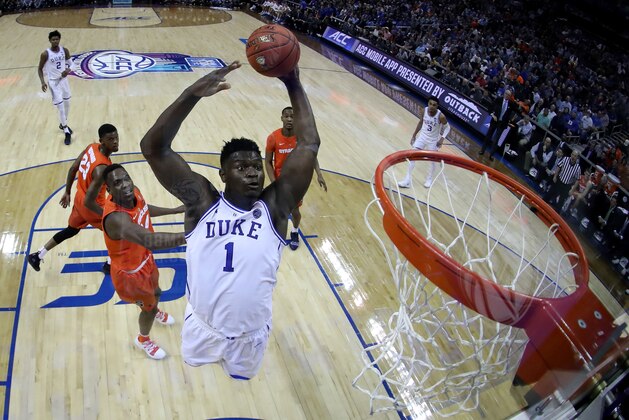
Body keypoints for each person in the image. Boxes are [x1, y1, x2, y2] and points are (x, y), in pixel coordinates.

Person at [140, 62, 321, 379]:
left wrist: (292, 81)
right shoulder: (201, 202)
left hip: (250, 336)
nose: (252, 173)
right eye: (241, 167)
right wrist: (190, 95)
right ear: (223, 174)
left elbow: (308, 145)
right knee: (195, 373)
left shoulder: (274, 207)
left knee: (241, 380)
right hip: (203, 326)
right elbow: (153, 149)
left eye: (255, 167)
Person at [86, 164, 186, 359]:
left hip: (145, 258)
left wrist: (173, 211)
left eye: (126, 179)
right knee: (148, 307)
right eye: (117, 183)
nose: (125, 185)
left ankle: (153, 308)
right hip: (130, 274)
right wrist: (192, 235)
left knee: (156, 292)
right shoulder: (116, 218)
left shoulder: (134, 192)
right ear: (109, 190)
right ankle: (143, 340)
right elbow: (151, 241)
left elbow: (145, 209)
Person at [27, 124, 119, 273]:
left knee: (71, 230)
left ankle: (38, 255)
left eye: (116, 138)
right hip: (93, 205)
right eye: (110, 139)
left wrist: (67, 192)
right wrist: (107, 216)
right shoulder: (102, 168)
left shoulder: (92, 147)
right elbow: (91, 199)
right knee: (116, 231)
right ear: (102, 141)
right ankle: (109, 265)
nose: (115, 142)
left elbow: (72, 168)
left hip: (79, 199)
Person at [265, 106, 327, 250]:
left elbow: (311, 157)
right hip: (280, 181)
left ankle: (294, 231)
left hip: (296, 182)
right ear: (281, 118)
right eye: (286, 116)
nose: (289, 119)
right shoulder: (273, 138)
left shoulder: (301, 138)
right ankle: (274, 234)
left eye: (292, 117)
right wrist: (274, 183)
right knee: (276, 210)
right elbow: (267, 162)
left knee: (295, 212)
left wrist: (319, 174)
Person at [398, 95, 450, 188]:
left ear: (437, 106)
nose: (431, 106)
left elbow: (448, 128)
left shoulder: (441, 116)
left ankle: (429, 179)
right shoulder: (424, 110)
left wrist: (441, 139)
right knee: (412, 156)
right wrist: (414, 135)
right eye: (430, 104)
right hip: (422, 137)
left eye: (434, 105)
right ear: (428, 103)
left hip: (433, 141)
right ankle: (407, 180)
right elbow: (421, 122)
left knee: (432, 161)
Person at [38, 30, 73, 145]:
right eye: (53, 39)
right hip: (54, 82)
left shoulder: (64, 50)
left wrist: (68, 70)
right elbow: (39, 69)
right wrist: (43, 82)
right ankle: (66, 130)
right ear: (49, 41)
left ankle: (62, 124)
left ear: (59, 39)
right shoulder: (45, 54)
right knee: (61, 107)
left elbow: (71, 64)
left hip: (64, 81)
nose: (55, 41)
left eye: (57, 39)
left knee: (67, 104)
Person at [479, 89, 518, 161]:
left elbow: (517, 110)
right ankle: (482, 150)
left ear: (510, 96)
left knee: (496, 140)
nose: (507, 95)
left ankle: (491, 155)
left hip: (502, 124)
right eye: (506, 94)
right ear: (504, 94)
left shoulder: (511, 104)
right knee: (488, 136)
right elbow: (490, 108)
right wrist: (492, 115)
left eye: (509, 95)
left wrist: (511, 119)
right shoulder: (498, 100)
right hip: (495, 120)